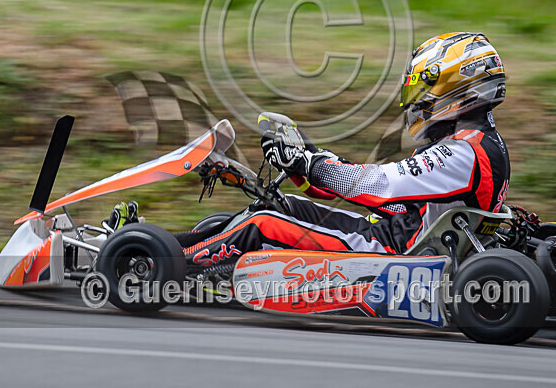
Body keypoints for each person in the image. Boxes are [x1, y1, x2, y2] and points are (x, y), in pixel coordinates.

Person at [180, 32, 510, 268]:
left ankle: (161, 265)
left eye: (424, 88)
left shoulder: (463, 153)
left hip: (392, 254)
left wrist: (309, 163)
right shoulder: (474, 145)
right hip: (398, 236)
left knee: (264, 224)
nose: (417, 99)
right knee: (281, 206)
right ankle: (161, 242)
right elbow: (394, 201)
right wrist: (307, 161)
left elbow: (379, 186)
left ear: (456, 89)